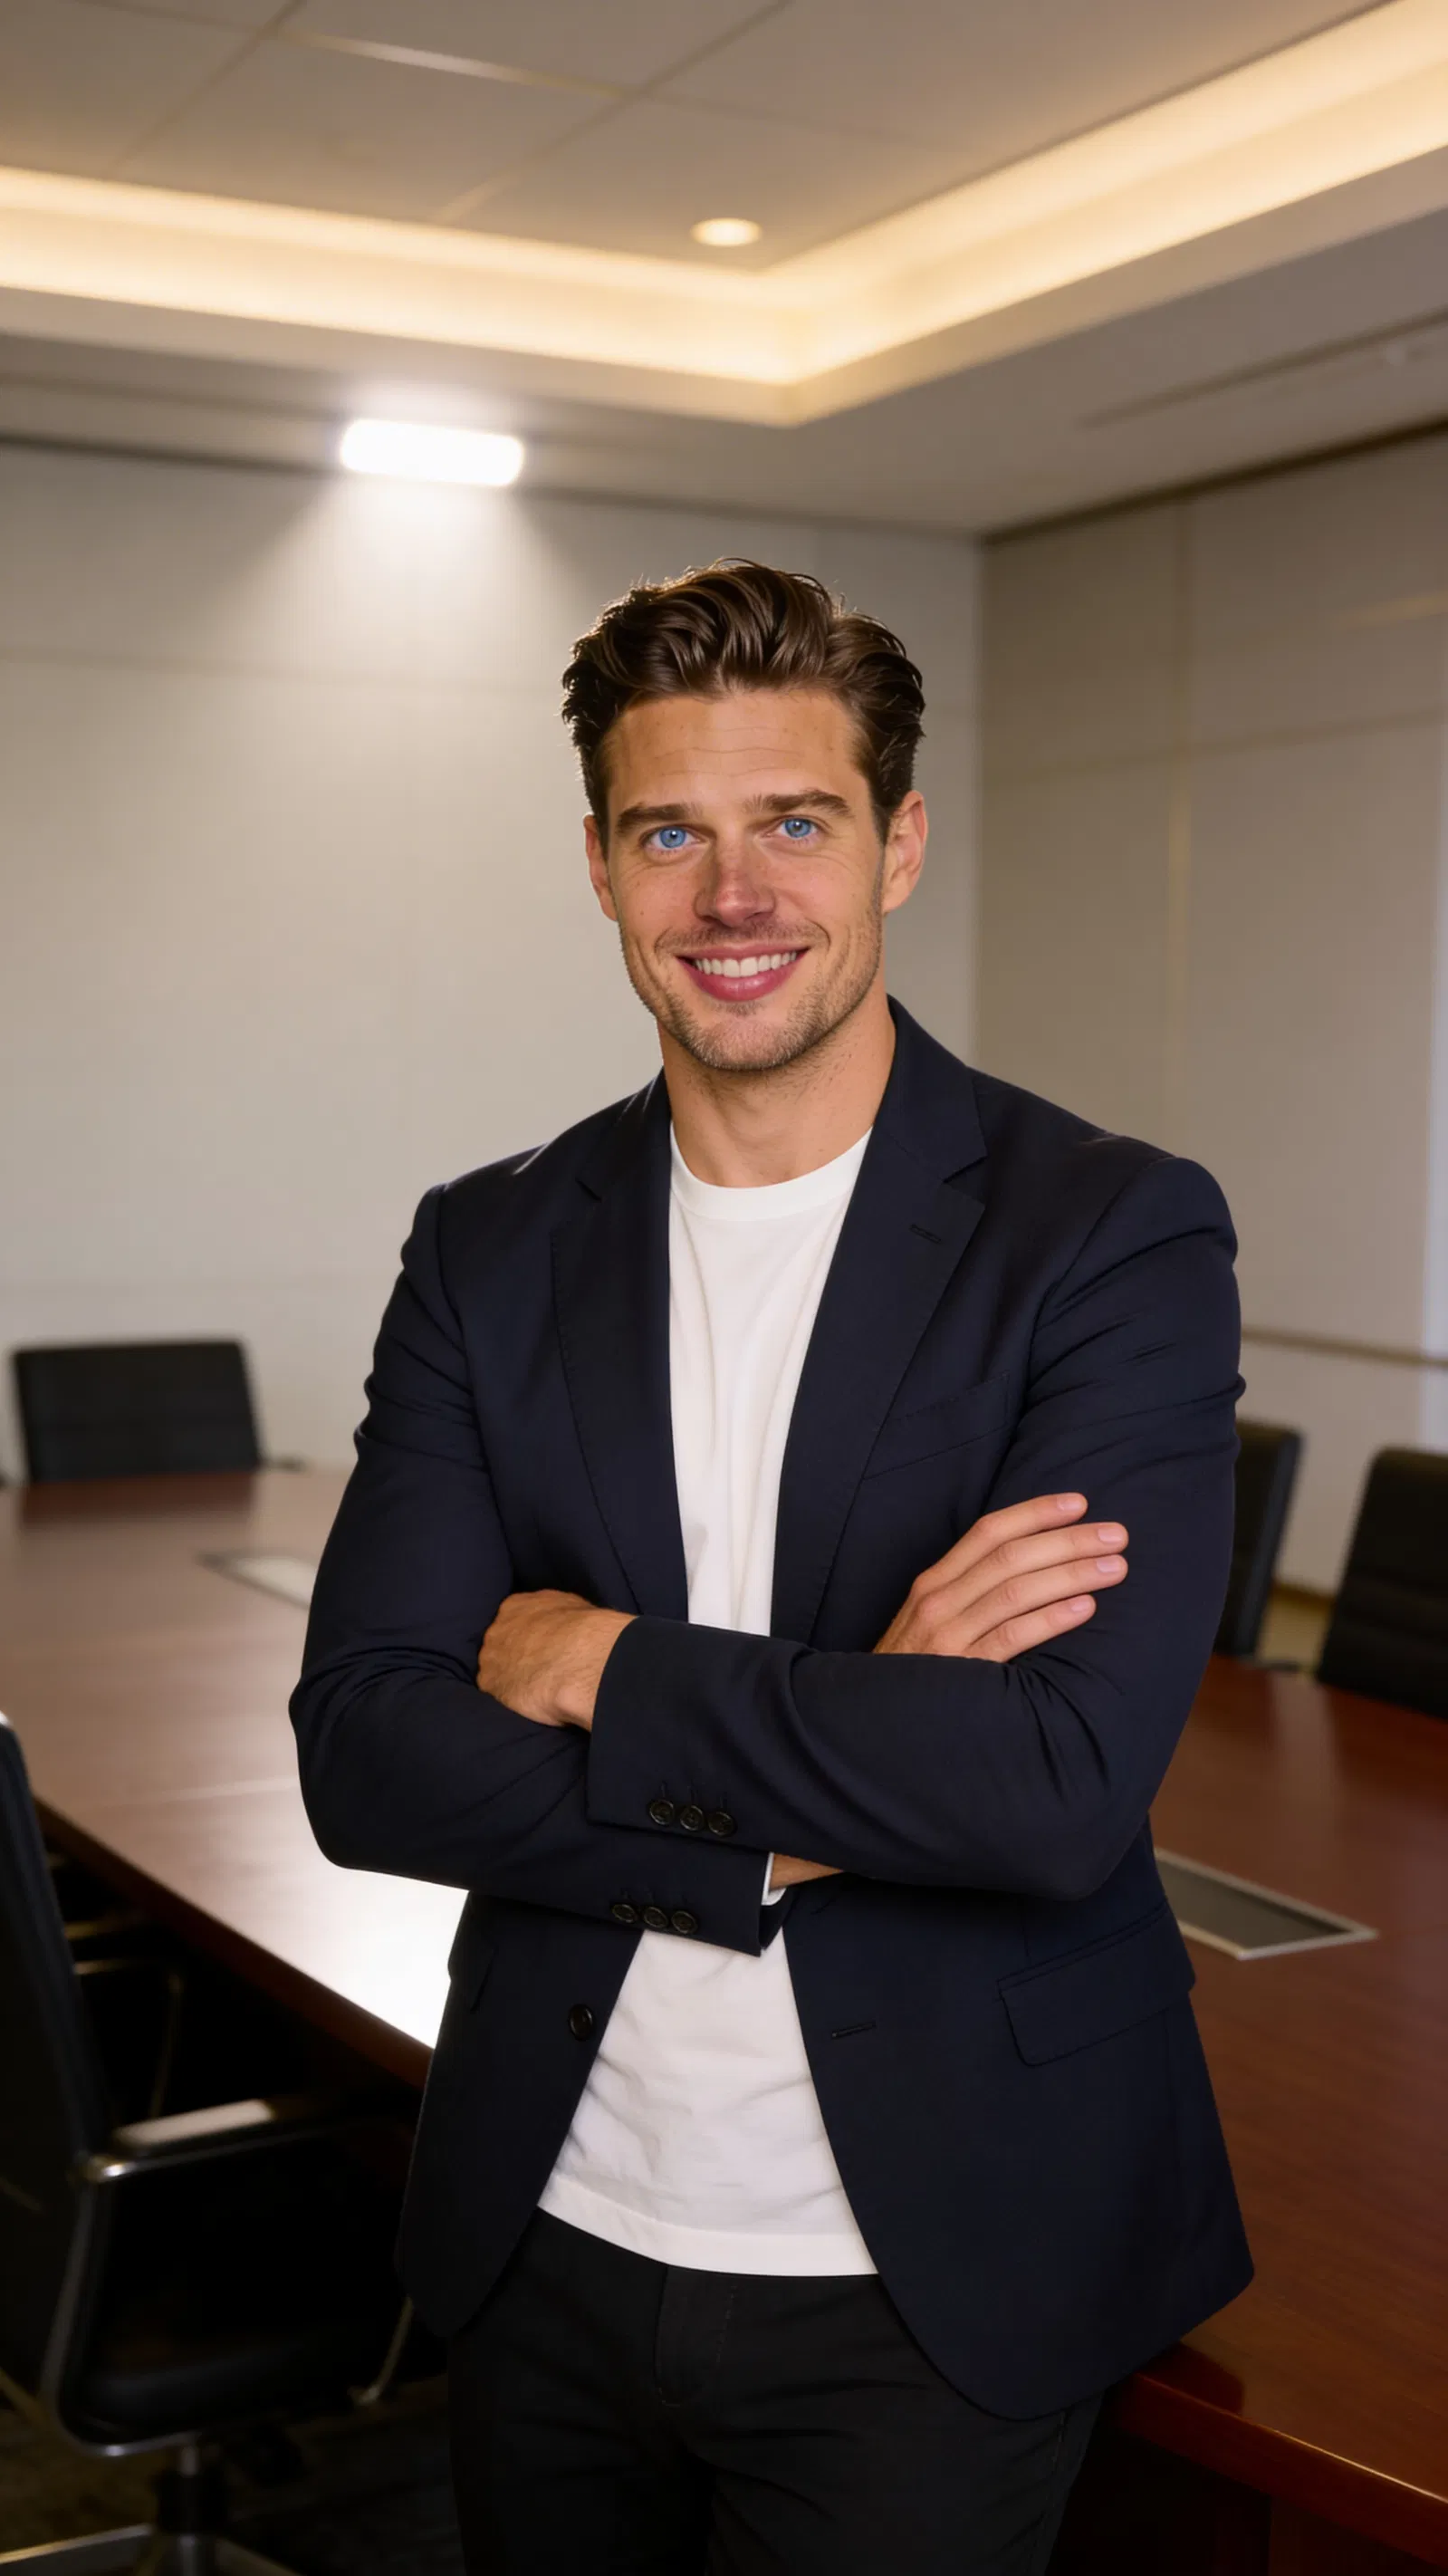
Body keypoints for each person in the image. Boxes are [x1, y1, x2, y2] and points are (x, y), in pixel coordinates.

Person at [291, 559, 1251, 2575]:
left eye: (792, 822)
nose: (732, 895)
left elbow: (1051, 1788)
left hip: (929, 2272)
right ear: (599, 864)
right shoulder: (488, 1246)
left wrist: (603, 1662)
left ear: (895, 841)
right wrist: (843, 1753)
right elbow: (368, 1754)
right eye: (672, 832)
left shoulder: (1104, 1233)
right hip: (550, 2223)